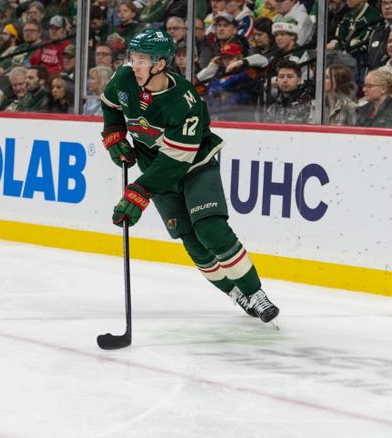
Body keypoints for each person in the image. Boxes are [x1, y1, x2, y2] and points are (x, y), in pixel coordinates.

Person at [100, 28, 279, 323]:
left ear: (160, 64)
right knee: (192, 241)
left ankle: (255, 293)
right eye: (133, 57)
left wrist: (140, 191)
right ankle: (235, 293)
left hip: (195, 166)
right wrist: (114, 134)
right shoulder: (124, 78)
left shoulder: (185, 101)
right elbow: (111, 105)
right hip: (155, 172)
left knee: (210, 229)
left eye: (142, 59)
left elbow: (175, 159)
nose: (134, 64)